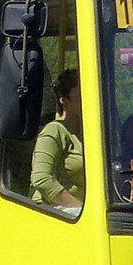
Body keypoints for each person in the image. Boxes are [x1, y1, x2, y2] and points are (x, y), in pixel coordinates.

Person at [30, 68, 84, 211]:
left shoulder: (93, 135)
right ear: (64, 100)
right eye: (81, 95)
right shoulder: (55, 131)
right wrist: (82, 208)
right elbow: (41, 179)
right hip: (56, 212)